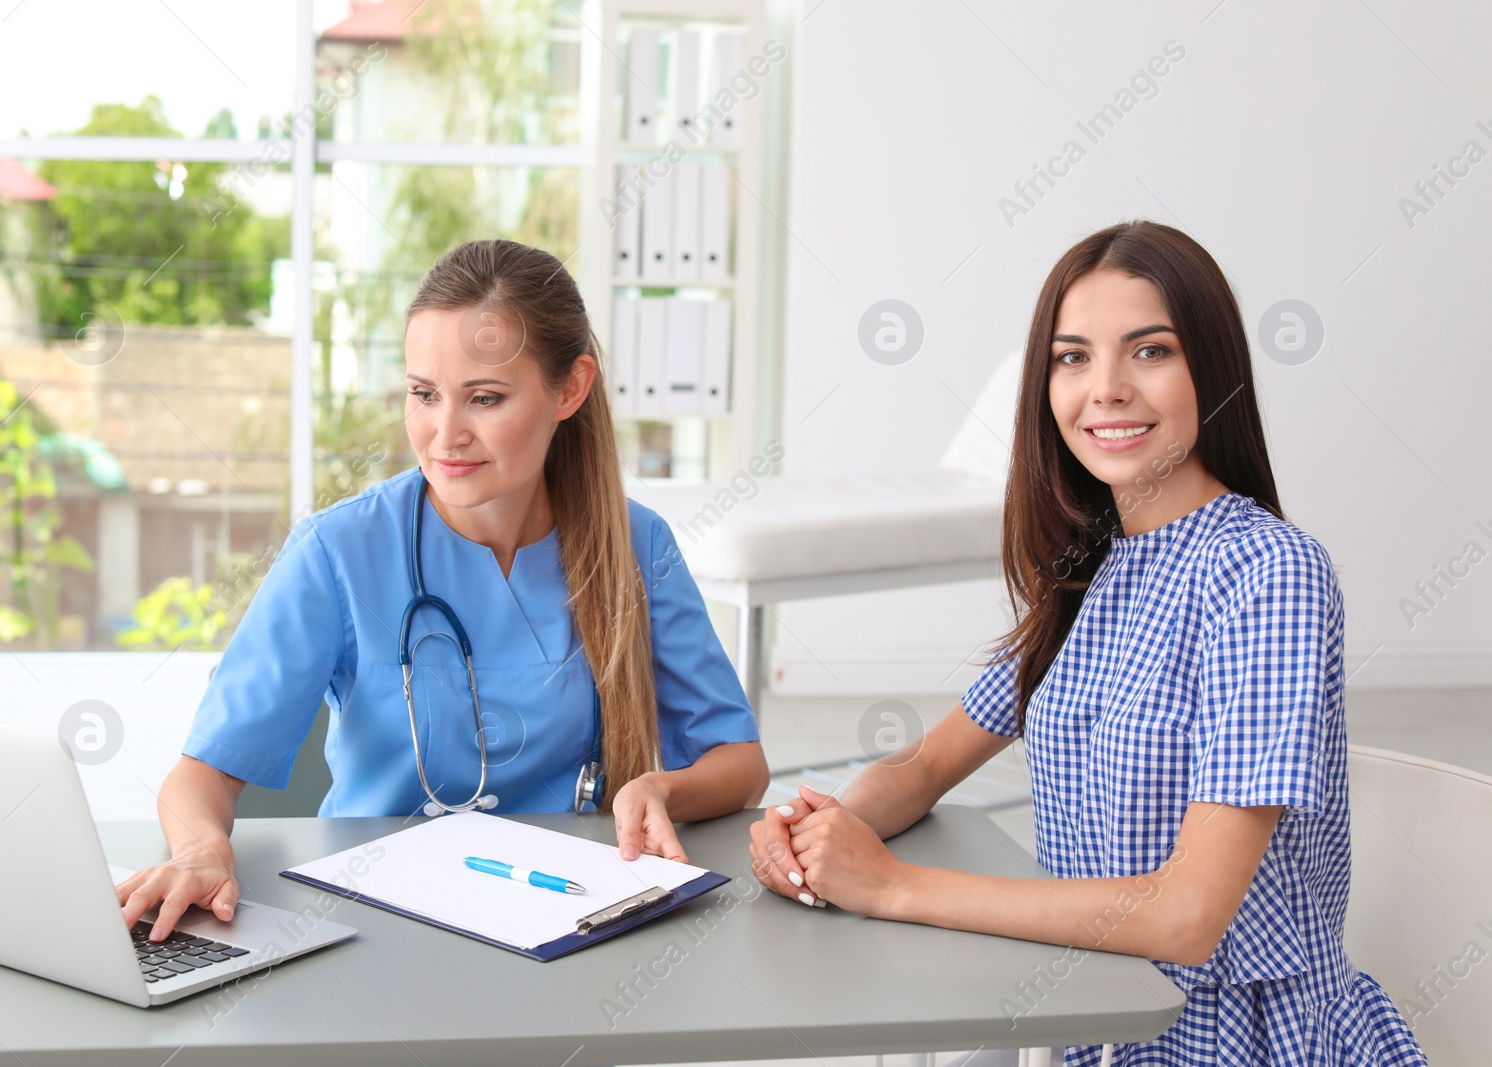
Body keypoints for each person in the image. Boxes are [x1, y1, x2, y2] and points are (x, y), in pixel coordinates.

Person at [749, 221, 1427, 1065]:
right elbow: (927, 765)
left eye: (1149, 351)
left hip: (1242, 1041)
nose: (1104, 389)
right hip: (1105, 1019)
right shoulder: (1088, 569)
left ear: (1212, 369)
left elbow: (1188, 915)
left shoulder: (1268, 573)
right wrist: (819, 833)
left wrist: (892, 886)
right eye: (1072, 358)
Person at [120, 238, 769, 942]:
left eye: (485, 398)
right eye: (423, 394)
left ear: (570, 389)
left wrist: (663, 787)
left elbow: (739, 762)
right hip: (375, 926)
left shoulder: (637, 546)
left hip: (572, 920)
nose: (444, 434)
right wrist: (201, 849)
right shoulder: (340, 552)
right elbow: (202, 774)